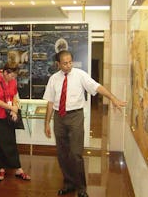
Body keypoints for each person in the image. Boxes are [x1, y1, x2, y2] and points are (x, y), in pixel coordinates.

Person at [43, 50, 127, 197]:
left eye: (70, 62)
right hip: (59, 117)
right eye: (65, 63)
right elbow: (50, 102)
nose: (68, 66)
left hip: (75, 116)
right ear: (58, 64)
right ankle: (69, 183)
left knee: (75, 154)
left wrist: (112, 98)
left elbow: (97, 87)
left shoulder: (80, 75)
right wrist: (47, 123)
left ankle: (81, 188)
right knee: (62, 154)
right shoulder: (53, 79)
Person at [0, 63, 31, 181]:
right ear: (5, 72)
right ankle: (1, 169)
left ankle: (18, 168)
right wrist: (10, 108)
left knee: (11, 142)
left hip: (9, 117)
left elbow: (14, 97)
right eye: (12, 76)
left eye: (15, 76)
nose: (13, 79)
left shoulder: (12, 82)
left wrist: (15, 110)